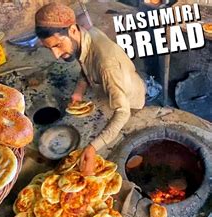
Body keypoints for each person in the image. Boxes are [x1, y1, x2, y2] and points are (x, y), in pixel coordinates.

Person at [35, 3, 145, 176]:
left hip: (130, 102)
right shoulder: (84, 35)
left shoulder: (106, 65)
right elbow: (85, 64)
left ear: (72, 30)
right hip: (111, 87)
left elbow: (123, 112)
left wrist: (93, 147)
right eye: (50, 48)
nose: (55, 55)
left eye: (57, 45)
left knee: (121, 142)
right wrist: (79, 91)